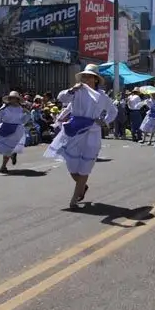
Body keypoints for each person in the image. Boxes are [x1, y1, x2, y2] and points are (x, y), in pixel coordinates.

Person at [45, 64, 118, 209]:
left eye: (90, 77)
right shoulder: (77, 91)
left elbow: (113, 111)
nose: (86, 79)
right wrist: (73, 89)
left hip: (92, 132)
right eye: (84, 76)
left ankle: (74, 198)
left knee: (85, 166)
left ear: (96, 80)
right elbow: (62, 98)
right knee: (71, 166)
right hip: (74, 129)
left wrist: (103, 122)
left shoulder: (102, 96)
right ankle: (82, 186)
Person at [0, 91, 27, 173]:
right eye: (11, 98)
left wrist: (27, 114)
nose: (13, 100)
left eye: (14, 98)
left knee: (8, 149)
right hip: (4, 128)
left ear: (17, 99)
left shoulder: (21, 109)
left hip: (16, 131)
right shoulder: (3, 108)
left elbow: (24, 121)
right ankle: (12, 154)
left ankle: (3, 166)